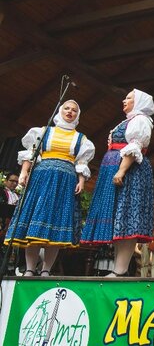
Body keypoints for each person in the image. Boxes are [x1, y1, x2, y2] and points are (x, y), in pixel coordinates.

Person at [4, 100, 95, 276]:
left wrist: (81, 181)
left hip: (65, 182)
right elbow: (31, 153)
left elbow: (82, 162)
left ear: (78, 115)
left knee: (56, 226)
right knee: (34, 225)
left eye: (74, 110)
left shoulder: (81, 139)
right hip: (41, 179)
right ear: (60, 111)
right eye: (67, 109)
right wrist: (24, 173)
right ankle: (30, 269)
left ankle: (46, 270)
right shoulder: (44, 131)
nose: (70, 112)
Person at [81, 89, 154, 277]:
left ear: (138, 102)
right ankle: (118, 268)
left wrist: (121, 170)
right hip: (115, 168)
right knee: (119, 219)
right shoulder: (127, 120)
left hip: (130, 171)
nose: (124, 100)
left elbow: (135, 146)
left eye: (129, 98)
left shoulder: (140, 120)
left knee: (125, 216)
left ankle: (120, 270)